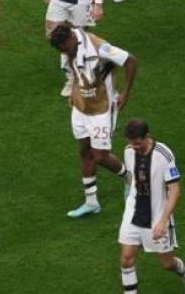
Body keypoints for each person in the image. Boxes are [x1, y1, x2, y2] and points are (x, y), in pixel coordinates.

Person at [49, 24, 137, 218]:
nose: (64, 52)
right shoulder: (67, 48)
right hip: (80, 109)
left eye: (65, 48)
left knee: (100, 156)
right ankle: (91, 202)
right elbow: (73, 72)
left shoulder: (99, 47)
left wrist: (125, 93)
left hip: (102, 110)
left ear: (72, 38)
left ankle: (129, 177)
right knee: (85, 152)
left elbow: (130, 61)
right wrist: (73, 92)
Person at [119, 119, 185, 294]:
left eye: (138, 143)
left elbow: (175, 190)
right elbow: (132, 177)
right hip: (134, 212)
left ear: (147, 136)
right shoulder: (129, 151)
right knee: (126, 259)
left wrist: (163, 222)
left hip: (157, 215)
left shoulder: (163, 155)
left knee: (167, 264)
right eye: (131, 144)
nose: (135, 148)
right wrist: (128, 198)